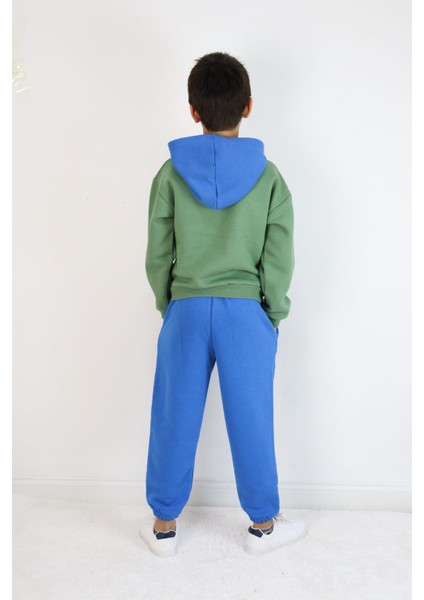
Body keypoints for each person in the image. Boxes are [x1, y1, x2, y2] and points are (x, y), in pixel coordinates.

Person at [139, 52, 307, 557]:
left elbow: (158, 253)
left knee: (174, 414)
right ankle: (263, 527)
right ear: (248, 106)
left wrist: (170, 303)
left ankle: (163, 528)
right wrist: (272, 311)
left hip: (186, 310)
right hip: (246, 314)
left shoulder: (170, 174)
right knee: (251, 416)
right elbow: (278, 256)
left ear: (193, 110)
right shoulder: (270, 177)